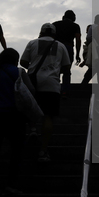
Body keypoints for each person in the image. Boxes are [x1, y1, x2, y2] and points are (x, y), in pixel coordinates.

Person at [0, 48, 33, 191]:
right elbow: (30, 91)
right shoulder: (19, 72)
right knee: (16, 152)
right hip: (13, 115)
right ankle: (11, 183)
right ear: (15, 60)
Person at [21, 23, 71, 162]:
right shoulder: (60, 46)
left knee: (31, 108)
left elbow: (23, 62)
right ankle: (43, 151)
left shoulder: (32, 43)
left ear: (41, 32)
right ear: (54, 33)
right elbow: (67, 67)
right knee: (48, 116)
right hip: (52, 84)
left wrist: (34, 66)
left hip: (33, 82)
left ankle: (32, 130)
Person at [52, 10, 81, 97]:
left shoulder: (55, 24)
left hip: (55, 47)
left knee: (54, 69)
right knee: (66, 70)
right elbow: (78, 40)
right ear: (73, 18)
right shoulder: (75, 26)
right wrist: (77, 54)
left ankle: (54, 89)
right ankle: (65, 91)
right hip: (68, 47)